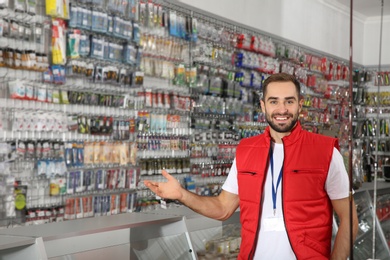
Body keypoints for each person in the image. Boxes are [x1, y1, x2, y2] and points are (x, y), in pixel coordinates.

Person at [144, 72, 359, 259]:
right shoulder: (246, 150)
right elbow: (223, 208)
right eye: (274, 101)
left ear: (300, 104)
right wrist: (182, 194)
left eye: (289, 101)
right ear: (263, 106)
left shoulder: (325, 151)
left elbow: (349, 220)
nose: (282, 109)